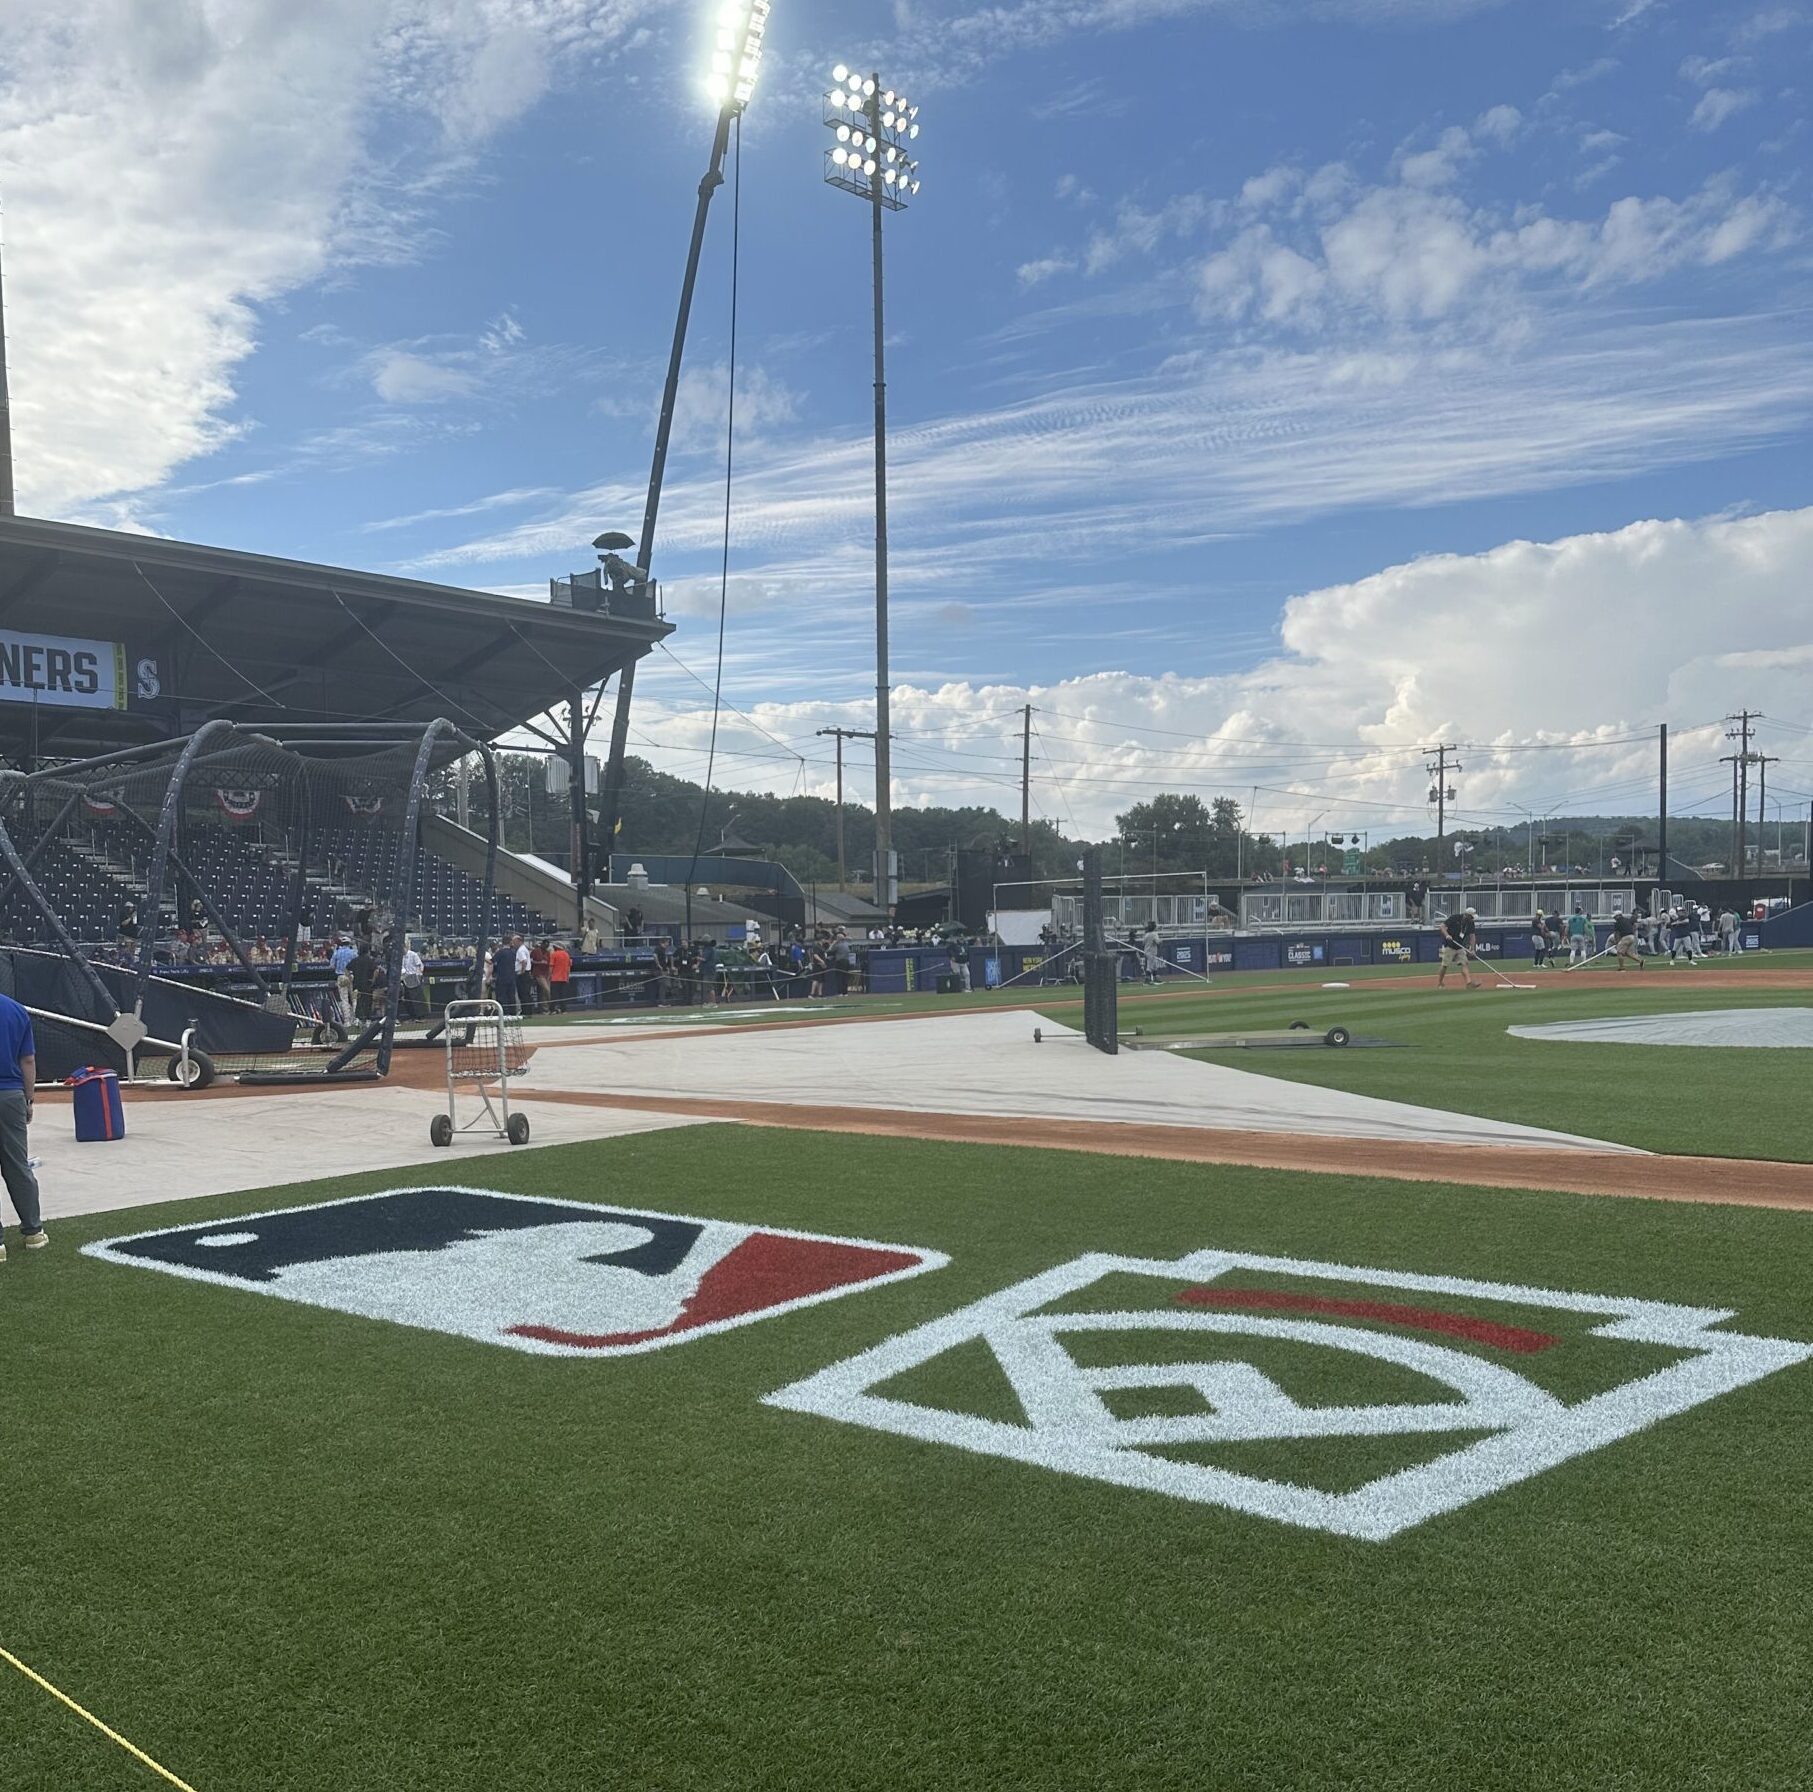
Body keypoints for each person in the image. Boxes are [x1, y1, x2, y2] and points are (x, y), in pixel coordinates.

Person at [0, 989, 44, 1262]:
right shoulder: (16, 1010)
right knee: (17, 1164)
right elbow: (27, 1060)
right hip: (11, 1095)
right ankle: (33, 1232)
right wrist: (29, 1099)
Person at [1436, 906, 1481, 989]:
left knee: (1464, 963)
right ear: (1467, 915)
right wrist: (1447, 935)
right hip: (1449, 945)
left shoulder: (1470, 923)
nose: (1472, 919)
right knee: (1445, 965)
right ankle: (1440, 982)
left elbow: (1472, 936)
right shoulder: (1455, 918)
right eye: (1471, 917)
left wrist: (1473, 949)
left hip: (1459, 946)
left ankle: (1468, 983)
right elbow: (1442, 926)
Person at [330, 934, 358, 1026]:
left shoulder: (337, 952)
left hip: (341, 976)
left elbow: (332, 965)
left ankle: (347, 1021)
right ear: (349, 943)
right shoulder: (353, 952)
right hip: (352, 976)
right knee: (354, 999)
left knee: (344, 999)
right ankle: (355, 1019)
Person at [491, 936, 521, 1015]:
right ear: (510, 942)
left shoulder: (500, 952)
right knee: (511, 996)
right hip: (511, 977)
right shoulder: (513, 952)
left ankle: (503, 1012)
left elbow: (492, 961)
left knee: (502, 996)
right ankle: (513, 1012)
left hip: (502, 977)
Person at [400, 937, 427, 1020]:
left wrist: (419, 976)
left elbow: (420, 965)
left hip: (414, 978)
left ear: (405, 947)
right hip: (405, 979)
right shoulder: (400, 957)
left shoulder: (413, 954)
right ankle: (412, 1016)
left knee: (417, 998)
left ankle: (421, 1016)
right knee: (408, 999)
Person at [530, 939, 553, 1013]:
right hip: (538, 973)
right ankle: (552, 1006)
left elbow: (549, 963)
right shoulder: (536, 951)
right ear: (542, 944)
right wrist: (539, 962)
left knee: (544, 992)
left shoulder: (547, 952)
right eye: (544, 945)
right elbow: (530, 961)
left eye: (547, 945)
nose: (545, 946)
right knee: (547, 990)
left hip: (546, 973)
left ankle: (545, 1009)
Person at [549, 939, 572, 1012]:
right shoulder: (567, 954)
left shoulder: (554, 954)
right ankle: (564, 1010)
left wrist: (549, 976)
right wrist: (567, 977)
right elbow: (568, 967)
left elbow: (551, 966)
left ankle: (552, 1010)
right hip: (564, 977)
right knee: (563, 995)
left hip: (555, 978)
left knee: (554, 995)